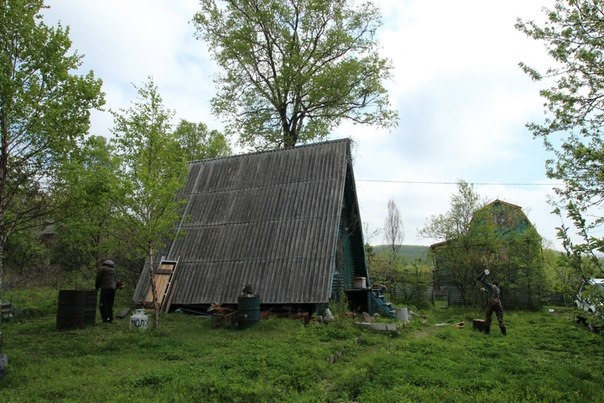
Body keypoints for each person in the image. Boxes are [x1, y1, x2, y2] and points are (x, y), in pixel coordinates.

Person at [477, 269, 506, 335]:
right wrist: (484, 290)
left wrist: (485, 274)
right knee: (500, 318)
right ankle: (504, 333)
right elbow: (490, 293)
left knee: (488, 317)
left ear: (493, 284)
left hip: (491, 303)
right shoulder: (498, 290)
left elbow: (482, 281)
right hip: (498, 303)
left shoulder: (492, 286)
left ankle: (487, 332)